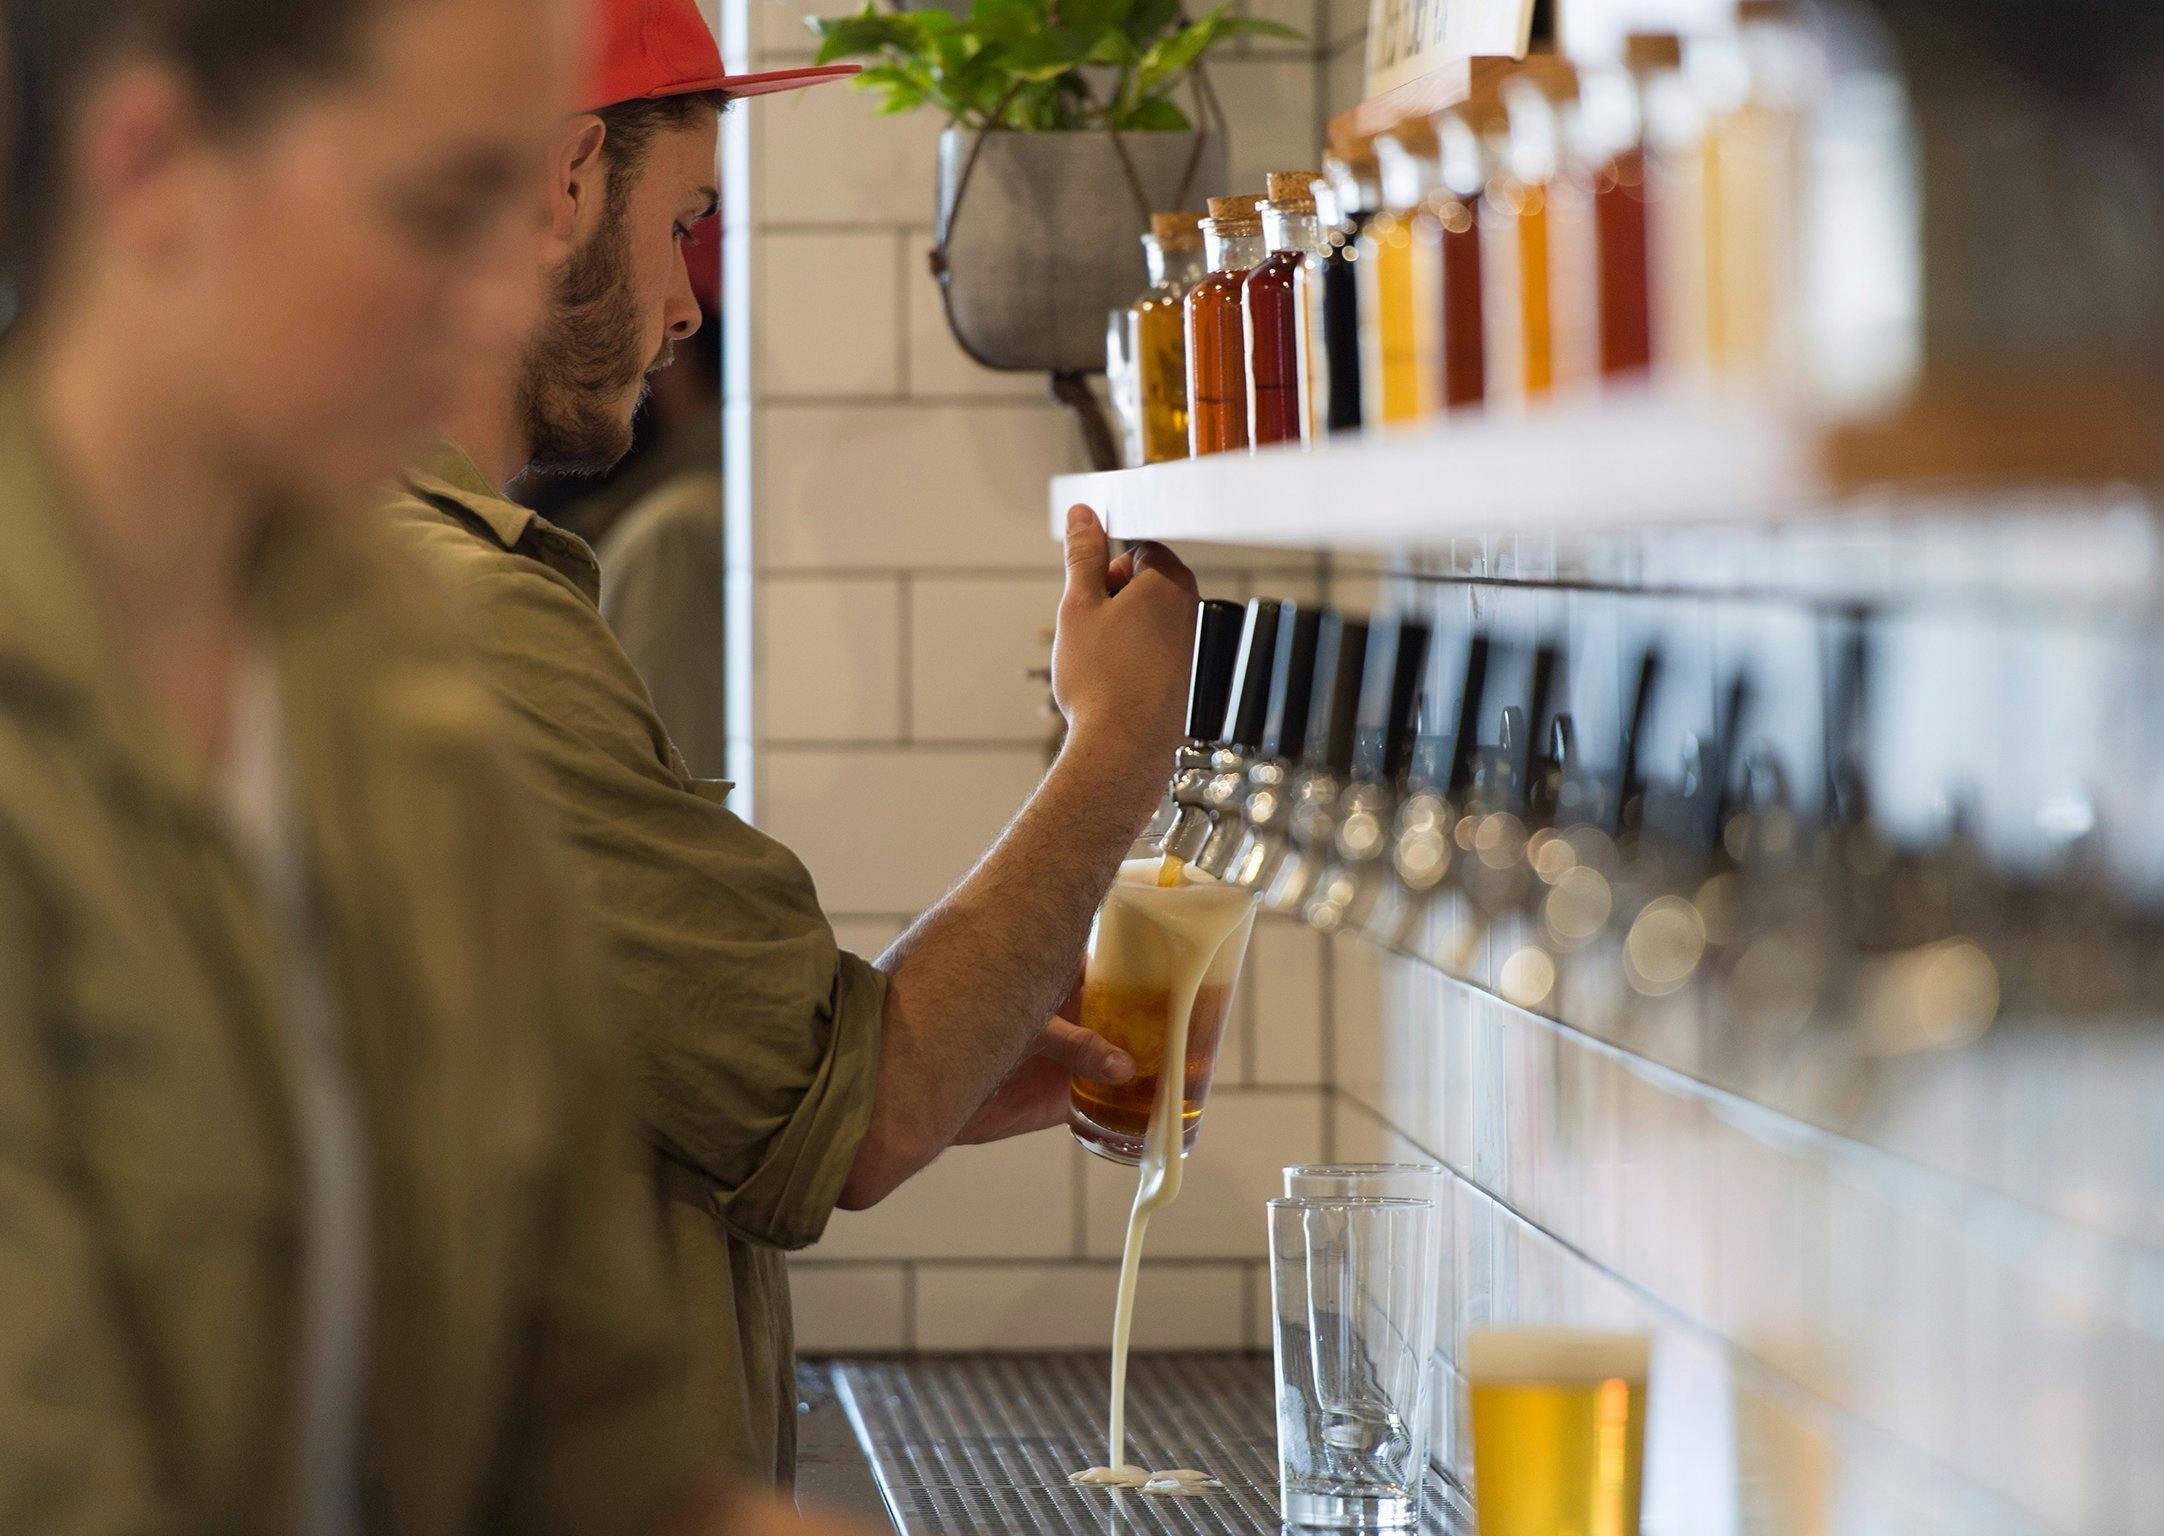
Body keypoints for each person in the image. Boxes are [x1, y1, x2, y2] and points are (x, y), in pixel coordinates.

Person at [0, 0, 864, 1530]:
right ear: (154, 170)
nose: (489, 312)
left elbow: (576, 1403)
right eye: (434, 212)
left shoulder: (393, 679)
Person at [382, 0, 1203, 1484]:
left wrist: (948, 1058)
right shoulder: (462, 626)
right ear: (564, 183)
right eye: (688, 223)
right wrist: (1120, 744)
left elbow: (709, 1081)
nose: (691, 304)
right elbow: (867, 1116)